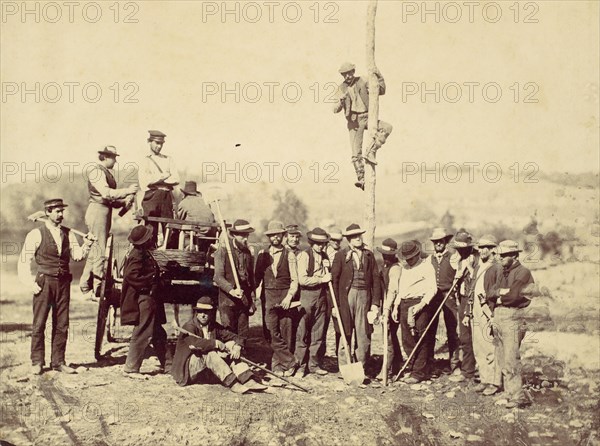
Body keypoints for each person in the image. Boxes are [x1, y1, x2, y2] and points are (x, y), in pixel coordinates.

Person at [18, 199, 95, 375]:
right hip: (44, 282)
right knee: (39, 323)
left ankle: (58, 361)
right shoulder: (36, 234)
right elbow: (24, 261)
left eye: (62, 211)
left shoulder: (69, 234)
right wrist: (31, 284)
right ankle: (37, 362)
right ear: (48, 212)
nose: (61, 215)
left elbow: (77, 256)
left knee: (62, 324)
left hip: (63, 283)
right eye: (57, 211)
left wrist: (87, 244)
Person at [171, 296, 267, 393]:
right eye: (200, 312)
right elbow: (196, 343)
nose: (203, 315)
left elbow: (234, 336)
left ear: (211, 313)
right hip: (187, 370)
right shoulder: (189, 327)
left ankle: (247, 379)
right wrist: (215, 343)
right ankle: (232, 383)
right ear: (196, 313)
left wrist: (237, 346)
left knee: (231, 344)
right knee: (210, 354)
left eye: (206, 312)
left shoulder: (213, 326)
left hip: (205, 370)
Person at [80, 145, 139, 301]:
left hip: (103, 211)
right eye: (113, 157)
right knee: (99, 249)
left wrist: (124, 202)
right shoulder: (96, 172)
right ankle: (97, 289)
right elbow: (106, 194)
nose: (115, 160)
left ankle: (86, 285)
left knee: (96, 248)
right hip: (97, 212)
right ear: (105, 157)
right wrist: (127, 191)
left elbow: (110, 200)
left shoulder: (105, 172)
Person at [488, 240, 535, 408]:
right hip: (500, 315)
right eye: (500, 255)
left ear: (514, 256)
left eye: (504, 255)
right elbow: (490, 292)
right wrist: (501, 293)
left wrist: (501, 296)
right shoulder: (503, 272)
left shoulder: (523, 272)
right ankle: (509, 393)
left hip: (514, 316)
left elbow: (515, 296)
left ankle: (518, 396)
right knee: (501, 356)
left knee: (511, 358)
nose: (500, 258)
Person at [333, 62, 393, 190]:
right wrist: (341, 101)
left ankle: (372, 149)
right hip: (354, 121)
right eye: (345, 74)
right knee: (356, 153)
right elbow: (335, 109)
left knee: (387, 128)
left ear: (353, 72)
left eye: (350, 73)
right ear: (342, 76)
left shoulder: (363, 80)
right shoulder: (341, 88)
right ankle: (361, 178)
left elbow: (381, 90)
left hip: (368, 116)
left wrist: (379, 75)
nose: (348, 76)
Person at [331, 223, 382, 371]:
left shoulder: (369, 255)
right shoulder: (341, 255)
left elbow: (375, 280)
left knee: (363, 333)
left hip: (364, 297)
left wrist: (375, 303)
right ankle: (345, 367)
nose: (358, 238)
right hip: (346, 297)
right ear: (349, 239)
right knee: (345, 331)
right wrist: (335, 305)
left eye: (359, 235)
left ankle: (360, 367)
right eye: (354, 236)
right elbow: (334, 280)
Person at [121, 225, 168, 374]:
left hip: (150, 297)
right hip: (144, 298)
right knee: (142, 332)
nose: (151, 238)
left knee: (158, 332)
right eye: (149, 237)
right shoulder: (137, 255)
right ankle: (131, 368)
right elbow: (130, 275)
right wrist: (150, 283)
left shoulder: (143, 252)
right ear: (144, 241)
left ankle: (169, 365)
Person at [254, 220, 300, 376]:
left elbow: (295, 280)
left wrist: (289, 297)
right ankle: (290, 361)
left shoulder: (290, 255)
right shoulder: (262, 254)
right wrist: (254, 295)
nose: (275, 238)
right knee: (271, 332)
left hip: (285, 296)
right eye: (272, 235)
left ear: (283, 236)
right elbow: (257, 278)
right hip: (268, 297)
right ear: (269, 237)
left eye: (278, 235)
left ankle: (279, 366)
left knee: (285, 330)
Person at [391, 240, 437, 384]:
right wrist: (395, 306)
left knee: (420, 338)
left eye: (411, 258)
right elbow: (402, 289)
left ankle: (419, 372)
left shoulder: (426, 267)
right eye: (406, 258)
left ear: (417, 254)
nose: (408, 261)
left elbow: (432, 289)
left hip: (420, 303)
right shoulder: (405, 268)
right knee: (407, 339)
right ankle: (410, 367)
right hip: (404, 304)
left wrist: (422, 305)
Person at [294, 227, 331, 377]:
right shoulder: (304, 256)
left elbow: (328, 277)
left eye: (323, 243)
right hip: (306, 296)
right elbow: (302, 279)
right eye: (317, 243)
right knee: (302, 332)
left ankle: (314, 365)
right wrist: (321, 279)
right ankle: (300, 365)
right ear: (311, 242)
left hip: (321, 296)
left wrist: (328, 269)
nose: (320, 246)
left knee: (318, 332)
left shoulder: (325, 256)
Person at [471, 235, 503, 396]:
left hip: (487, 308)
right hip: (476, 308)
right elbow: (472, 289)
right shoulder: (478, 266)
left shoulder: (497, 268)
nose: (482, 251)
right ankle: (484, 379)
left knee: (490, 345)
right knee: (478, 346)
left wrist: (492, 314)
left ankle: (494, 382)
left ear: (492, 250)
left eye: (485, 248)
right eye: (480, 248)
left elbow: (497, 291)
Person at [213, 219, 256, 338]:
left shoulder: (248, 252)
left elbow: (251, 278)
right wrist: (232, 290)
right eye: (242, 236)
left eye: (247, 235)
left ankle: (241, 354)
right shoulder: (222, 251)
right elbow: (218, 277)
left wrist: (252, 300)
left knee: (243, 333)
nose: (246, 239)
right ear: (234, 235)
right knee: (229, 333)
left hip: (244, 299)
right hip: (228, 300)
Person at [137, 130, 180, 246]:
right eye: (156, 143)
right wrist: (164, 176)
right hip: (151, 196)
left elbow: (176, 179)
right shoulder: (145, 160)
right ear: (149, 142)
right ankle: (149, 258)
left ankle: (171, 259)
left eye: (161, 144)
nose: (159, 146)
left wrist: (156, 179)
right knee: (150, 230)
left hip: (166, 197)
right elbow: (144, 182)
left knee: (170, 229)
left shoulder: (168, 159)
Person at [428, 228, 460, 374]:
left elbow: (459, 276)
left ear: (445, 242)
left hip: (449, 296)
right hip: (433, 296)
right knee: (430, 329)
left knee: (452, 330)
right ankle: (429, 362)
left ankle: (454, 364)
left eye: (440, 241)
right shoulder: (430, 259)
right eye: (435, 242)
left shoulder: (453, 257)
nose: (438, 244)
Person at [449, 231, 478, 383]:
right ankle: (468, 371)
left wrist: (471, 270)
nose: (460, 251)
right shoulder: (460, 260)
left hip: (476, 300)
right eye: (458, 249)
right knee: (465, 337)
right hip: (463, 299)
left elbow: (479, 280)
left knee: (479, 337)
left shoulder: (477, 259)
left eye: (463, 249)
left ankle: (484, 371)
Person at [376, 238, 403, 380]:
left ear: (393, 255)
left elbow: (392, 290)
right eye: (383, 254)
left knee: (389, 339)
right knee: (391, 336)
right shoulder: (385, 266)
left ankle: (385, 371)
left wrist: (386, 310)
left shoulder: (395, 269)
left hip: (393, 308)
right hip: (386, 305)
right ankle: (397, 365)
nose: (385, 257)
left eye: (387, 254)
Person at [318, 227, 344, 361]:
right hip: (324, 292)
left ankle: (340, 355)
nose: (336, 243)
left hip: (337, 292)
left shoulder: (343, 253)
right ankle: (320, 355)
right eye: (334, 240)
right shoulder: (323, 253)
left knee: (339, 324)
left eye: (339, 240)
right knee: (322, 324)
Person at [176, 180, 217, 251]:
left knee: (177, 233)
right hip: (209, 233)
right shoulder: (204, 201)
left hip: (194, 233)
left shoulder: (184, 203)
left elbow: (179, 220)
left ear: (184, 194)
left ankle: (182, 251)